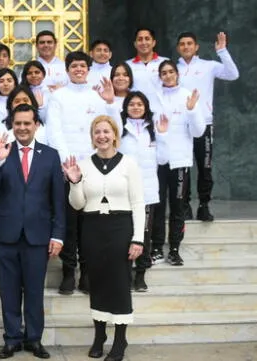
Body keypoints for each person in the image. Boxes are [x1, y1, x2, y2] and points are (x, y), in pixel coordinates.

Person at [0, 104, 65, 359]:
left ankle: (34, 339)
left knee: (34, 291)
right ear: (12, 125)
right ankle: (11, 338)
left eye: (27, 123)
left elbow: (58, 199)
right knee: (8, 290)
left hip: (38, 235)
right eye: (17, 123)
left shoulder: (51, 155)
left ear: (36, 125)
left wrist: (58, 234)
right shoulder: (2, 152)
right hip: (5, 234)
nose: (22, 128)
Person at [63, 115, 145, 361]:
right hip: (93, 228)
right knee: (96, 282)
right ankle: (100, 336)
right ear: (92, 137)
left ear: (114, 135)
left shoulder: (129, 164)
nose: (102, 136)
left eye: (106, 131)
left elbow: (139, 203)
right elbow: (77, 204)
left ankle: (120, 340)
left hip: (121, 227)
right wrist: (74, 182)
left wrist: (138, 238)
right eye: (97, 132)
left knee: (119, 283)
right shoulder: (84, 165)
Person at [46, 51, 121, 295]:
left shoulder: (97, 97)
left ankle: (87, 273)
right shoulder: (57, 96)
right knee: (69, 223)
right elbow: (54, 131)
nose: (79, 69)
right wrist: (67, 163)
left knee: (91, 224)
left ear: (88, 70)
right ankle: (69, 272)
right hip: (66, 169)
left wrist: (110, 103)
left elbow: (110, 131)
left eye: (82, 66)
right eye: (74, 66)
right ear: (67, 70)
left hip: (94, 169)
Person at [176, 31, 240, 221]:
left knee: (205, 167)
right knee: (183, 167)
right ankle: (184, 205)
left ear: (196, 47)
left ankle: (204, 205)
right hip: (180, 127)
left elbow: (233, 74)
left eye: (189, 43)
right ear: (178, 48)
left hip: (203, 124)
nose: (186, 47)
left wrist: (222, 51)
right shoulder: (172, 69)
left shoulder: (208, 66)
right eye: (182, 44)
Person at [150, 60, 205, 266]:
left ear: (177, 74)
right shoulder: (154, 98)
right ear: (160, 76)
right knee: (157, 205)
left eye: (171, 71)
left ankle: (174, 248)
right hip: (157, 160)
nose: (167, 75)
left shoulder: (188, 96)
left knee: (177, 206)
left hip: (180, 161)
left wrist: (191, 110)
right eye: (163, 72)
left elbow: (198, 132)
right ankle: (156, 247)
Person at [119, 91, 168, 292]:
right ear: (126, 108)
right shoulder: (120, 129)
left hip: (147, 191)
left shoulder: (154, 130)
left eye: (140, 104)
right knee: (124, 233)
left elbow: (163, 160)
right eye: (132, 104)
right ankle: (125, 273)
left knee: (144, 234)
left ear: (146, 107)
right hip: (123, 191)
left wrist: (163, 135)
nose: (136, 107)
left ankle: (140, 274)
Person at [126, 27, 169, 107]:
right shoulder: (127, 65)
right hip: (136, 112)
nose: (143, 42)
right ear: (135, 44)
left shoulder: (165, 63)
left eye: (147, 39)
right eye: (140, 39)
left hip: (161, 110)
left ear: (153, 42)